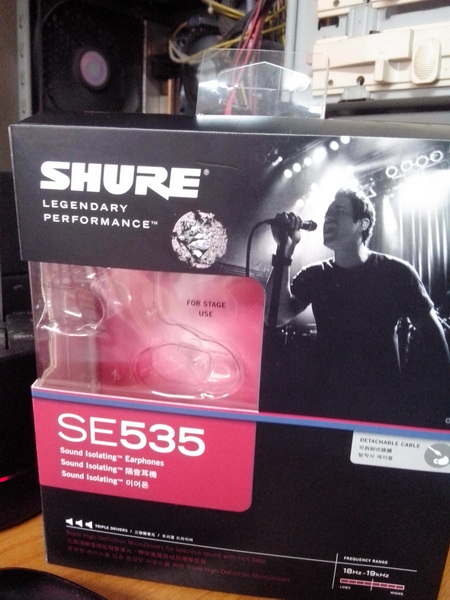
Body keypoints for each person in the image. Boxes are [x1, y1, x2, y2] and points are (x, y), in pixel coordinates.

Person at [264, 187, 450, 423]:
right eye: (327, 214)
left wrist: (440, 402)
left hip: (381, 404)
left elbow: (433, 338)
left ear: (363, 224)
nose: (328, 218)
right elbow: (275, 317)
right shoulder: (315, 275)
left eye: (338, 211)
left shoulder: (397, 272)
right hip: (326, 401)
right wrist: (285, 250)